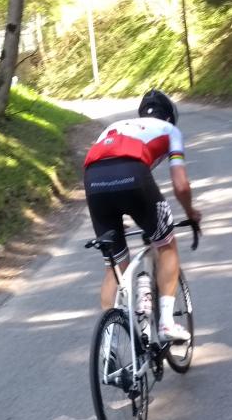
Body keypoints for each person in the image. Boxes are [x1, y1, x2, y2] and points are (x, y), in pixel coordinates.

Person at [83, 89, 201, 341]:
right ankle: (167, 323)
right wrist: (191, 213)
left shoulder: (116, 127)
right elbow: (181, 185)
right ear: (169, 117)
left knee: (115, 267)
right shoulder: (170, 130)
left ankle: (110, 344)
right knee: (167, 245)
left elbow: (103, 165)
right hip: (132, 175)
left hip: (93, 181)